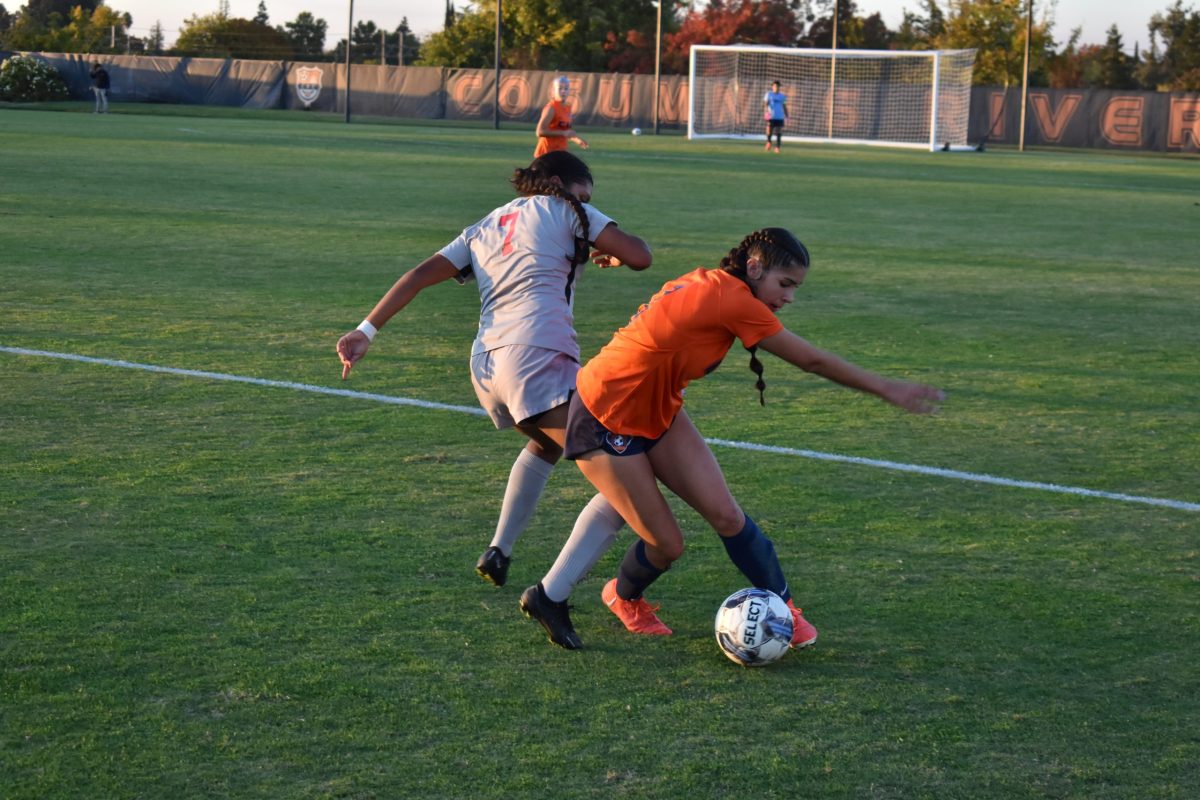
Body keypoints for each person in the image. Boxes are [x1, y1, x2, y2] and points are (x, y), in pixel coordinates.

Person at [520, 227, 944, 650]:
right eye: (785, 283)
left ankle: (786, 609)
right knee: (668, 545)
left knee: (726, 515)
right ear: (754, 267)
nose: (790, 296)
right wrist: (886, 387)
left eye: (796, 286)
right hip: (605, 414)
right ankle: (576, 597)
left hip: (658, 408)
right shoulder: (733, 298)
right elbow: (811, 360)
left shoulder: (719, 285)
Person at [336, 151, 651, 591]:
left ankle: (499, 550)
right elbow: (641, 255)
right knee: (628, 475)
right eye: (583, 195)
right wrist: (611, 249)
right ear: (560, 184)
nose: (584, 203)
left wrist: (365, 330)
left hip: (487, 367)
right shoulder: (565, 208)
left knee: (546, 444)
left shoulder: (485, 224)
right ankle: (554, 594)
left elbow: (418, 274)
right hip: (537, 357)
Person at [534, 76, 588, 158]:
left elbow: (564, 131)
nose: (563, 91)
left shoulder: (567, 108)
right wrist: (563, 133)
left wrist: (576, 139)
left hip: (560, 153)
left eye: (566, 88)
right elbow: (539, 132)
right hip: (546, 155)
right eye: (560, 88)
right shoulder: (551, 108)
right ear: (553, 91)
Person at [763, 80, 788, 153]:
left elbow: (784, 106)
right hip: (771, 116)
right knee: (769, 129)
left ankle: (777, 147)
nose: (776, 87)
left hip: (779, 116)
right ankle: (769, 142)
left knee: (779, 131)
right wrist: (766, 112)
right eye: (774, 86)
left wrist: (787, 116)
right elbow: (765, 104)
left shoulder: (782, 96)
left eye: (777, 86)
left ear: (779, 87)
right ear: (772, 87)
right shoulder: (769, 94)